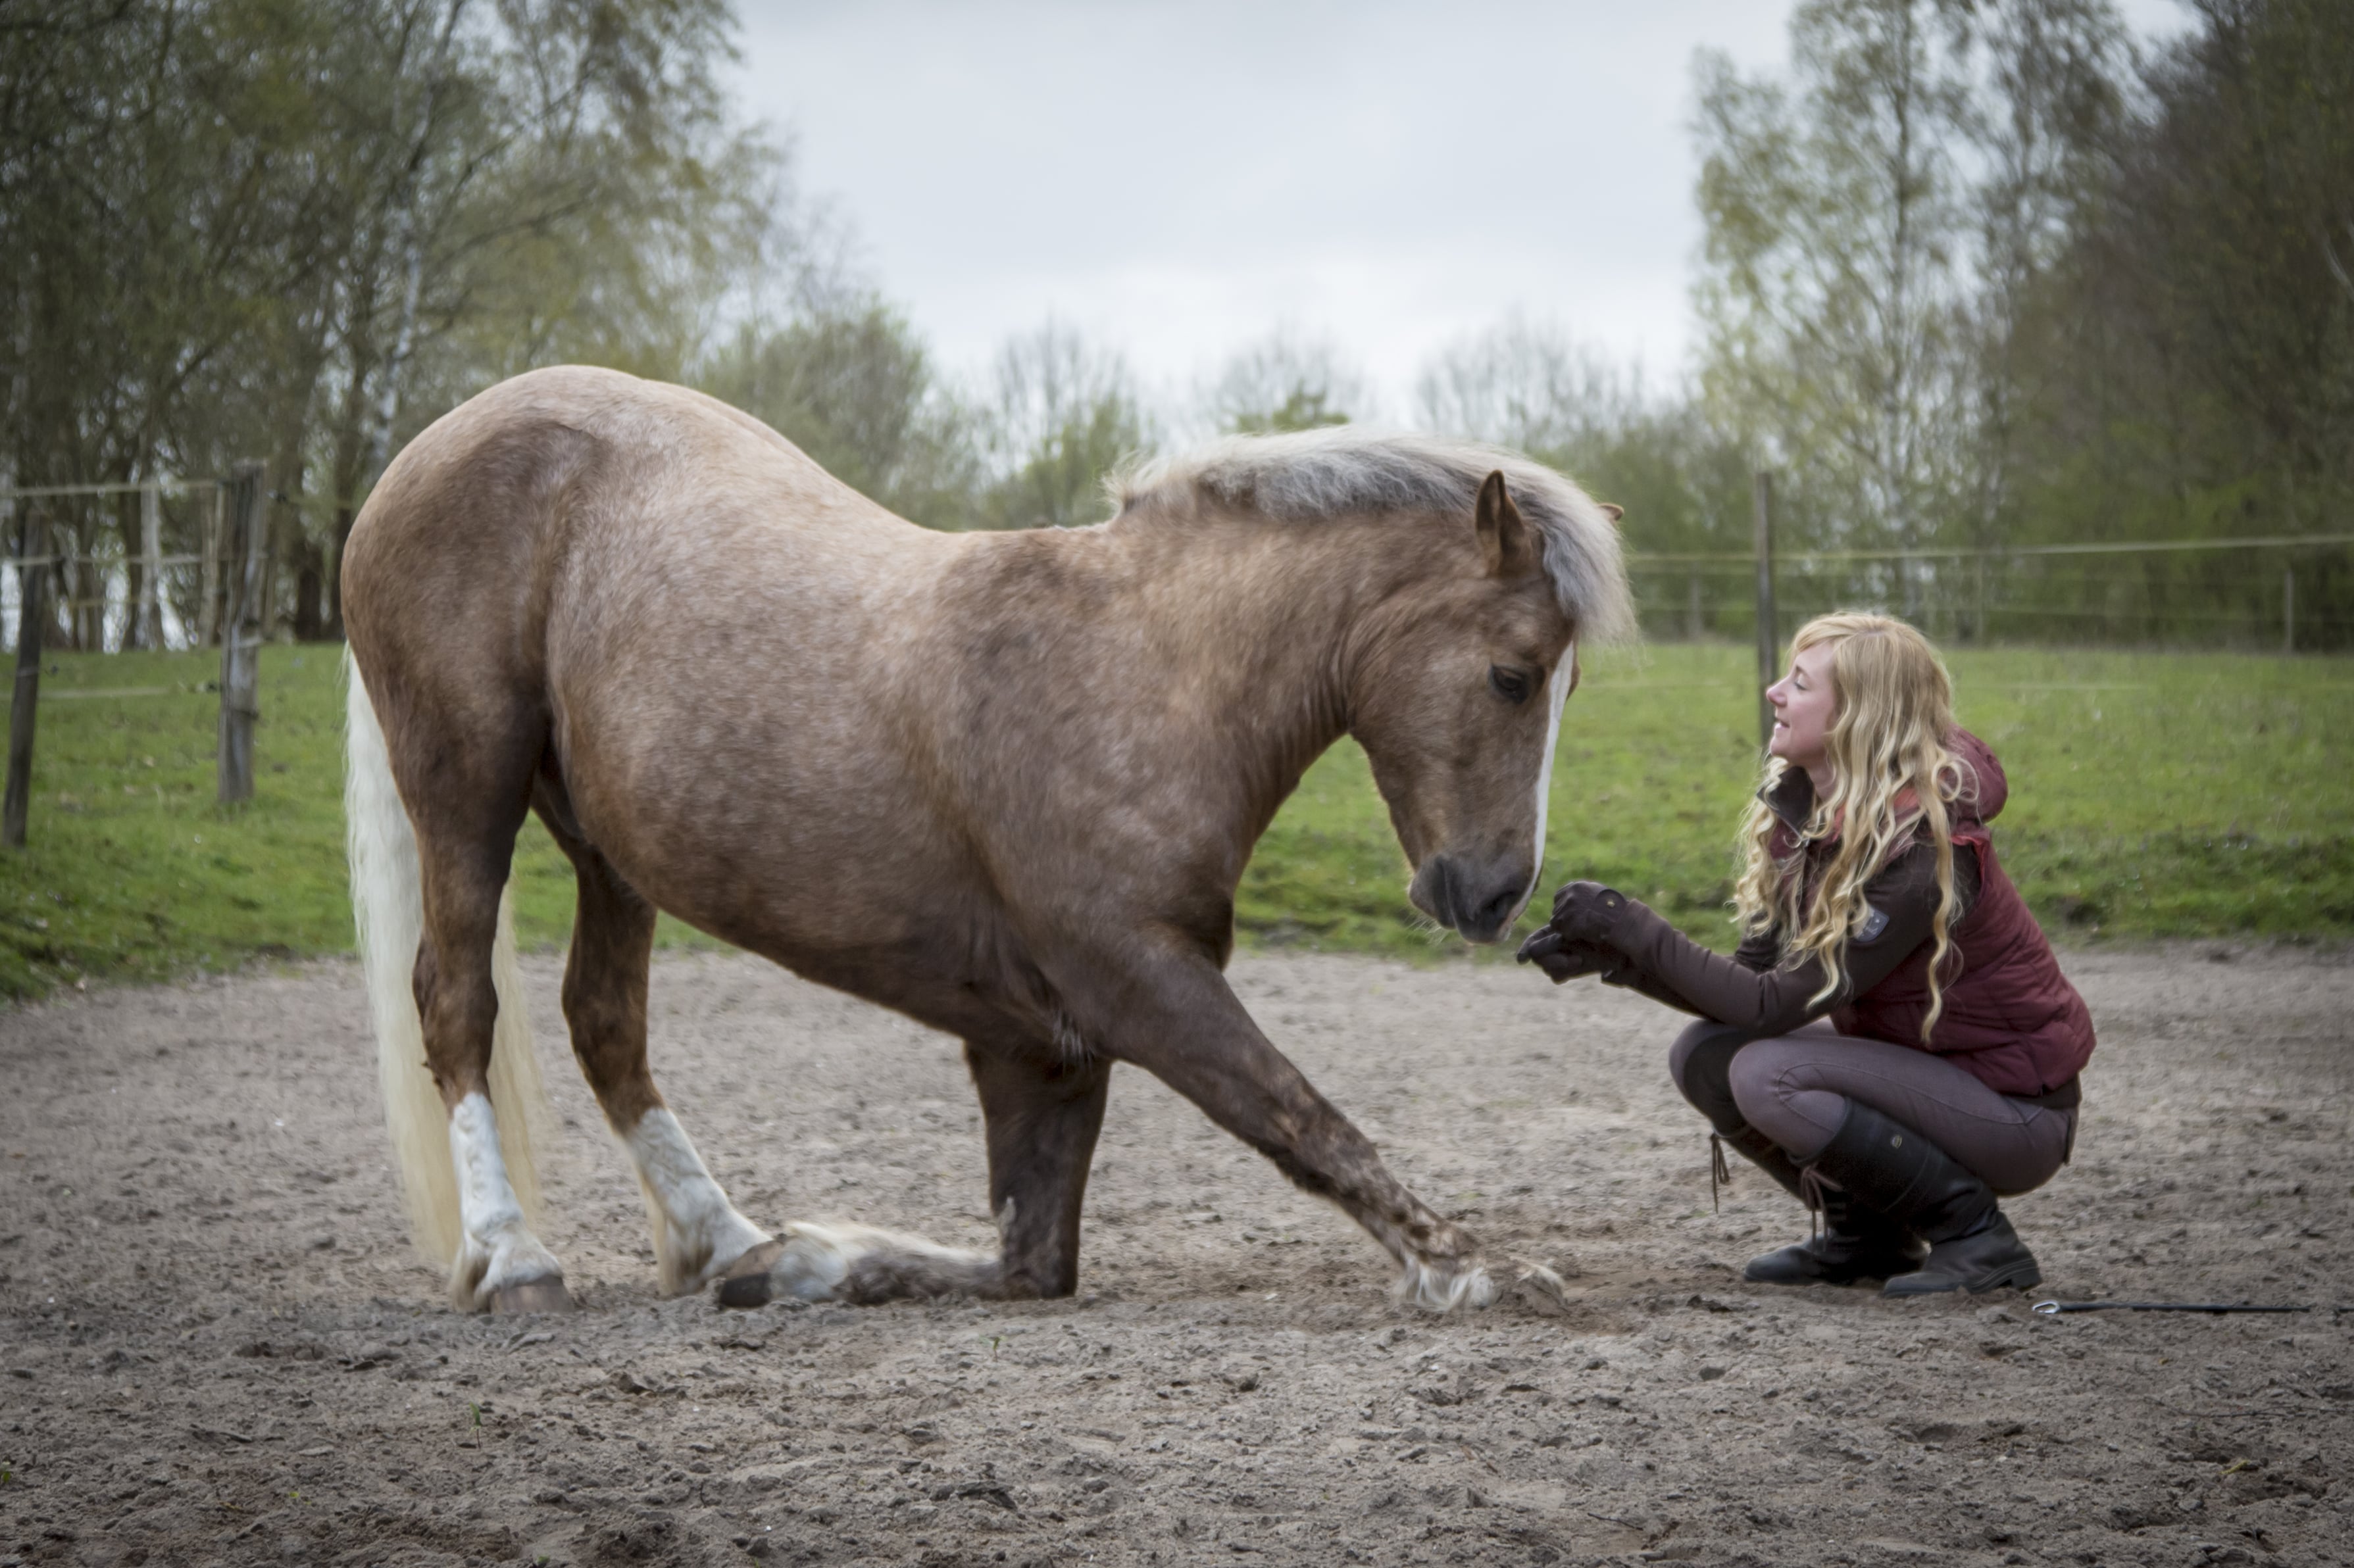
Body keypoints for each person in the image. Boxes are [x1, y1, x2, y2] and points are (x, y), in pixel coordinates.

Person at [1517, 612, 2093, 1296]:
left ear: (1856, 714)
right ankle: (1870, 1237)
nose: (1772, 692)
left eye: (1797, 682)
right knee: (1705, 1054)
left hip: (2014, 1111)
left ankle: (1977, 1238)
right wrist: (1616, 957)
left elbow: (1771, 1006)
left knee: (1767, 1073)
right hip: (1931, 1076)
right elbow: (1749, 983)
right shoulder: (1808, 814)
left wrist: (1633, 926)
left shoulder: (1924, 856)